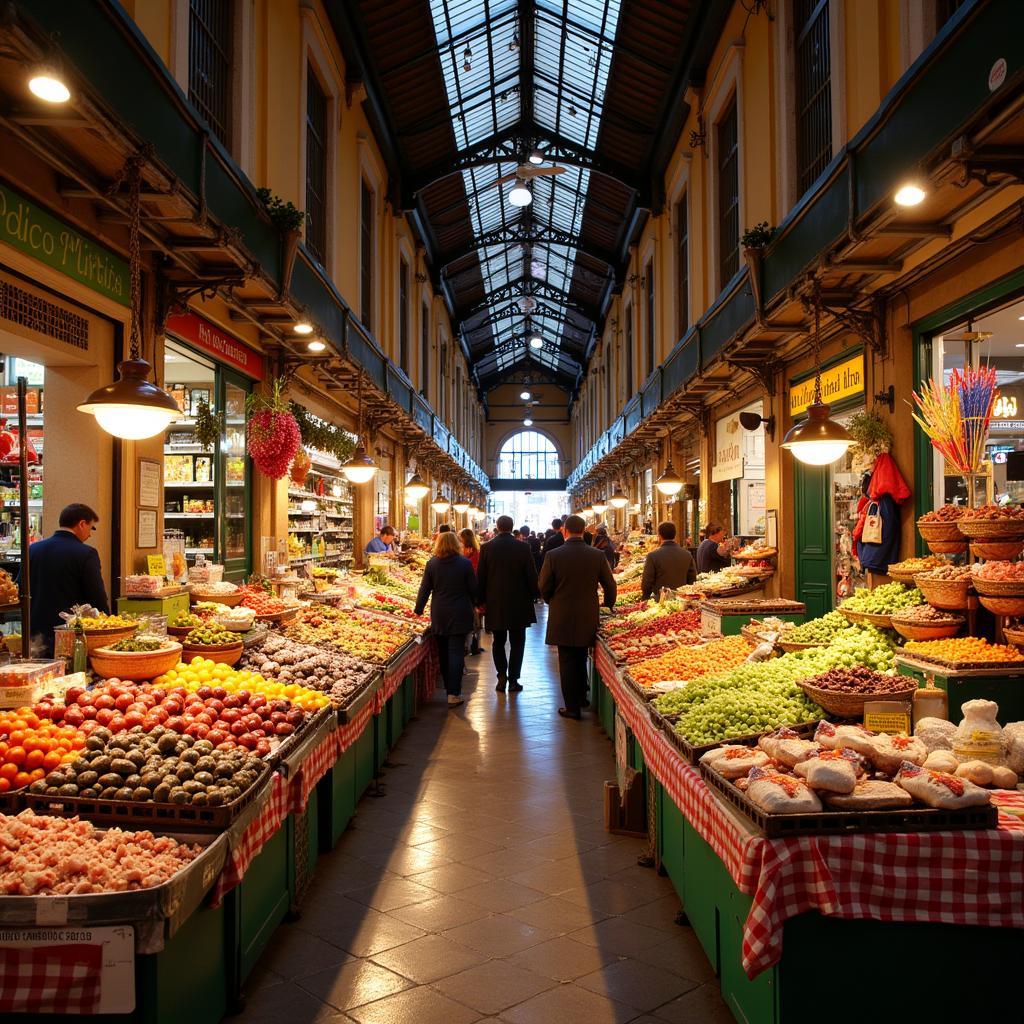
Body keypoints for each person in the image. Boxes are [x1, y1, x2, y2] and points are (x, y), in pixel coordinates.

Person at [538, 515, 616, 719]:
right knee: (582, 655)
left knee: (566, 660)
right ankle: (582, 697)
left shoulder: (553, 555)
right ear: (584, 531)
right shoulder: (596, 555)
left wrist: (552, 601)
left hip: (562, 613)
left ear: (564, 531)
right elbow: (610, 585)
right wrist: (607, 606)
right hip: (587, 613)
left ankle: (572, 707)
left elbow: (543, 586)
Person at [27, 503, 109, 657]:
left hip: (35, 633)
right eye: (91, 528)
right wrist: (108, 622)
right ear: (82, 524)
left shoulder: (33, 549)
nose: (90, 534)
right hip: (70, 635)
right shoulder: (86, 553)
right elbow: (97, 595)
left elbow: (20, 586)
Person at [476, 514, 538, 693]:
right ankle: (514, 680)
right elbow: (531, 574)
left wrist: (480, 600)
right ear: (512, 527)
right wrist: (536, 595)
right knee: (518, 642)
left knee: (498, 641)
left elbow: (481, 576)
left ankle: (501, 677)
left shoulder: (487, 548)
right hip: (519, 602)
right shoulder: (523, 547)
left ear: (497, 526)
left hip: (496, 602)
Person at [414, 531, 476, 708]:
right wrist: (478, 602)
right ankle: (453, 693)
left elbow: (424, 589)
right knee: (456, 652)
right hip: (461, 612)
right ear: (457, 544)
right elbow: (473, 588)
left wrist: (418, 610)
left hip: (440, 613)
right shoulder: (465, 564)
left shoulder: (432, 564)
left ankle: (449, 688)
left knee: (443, 653)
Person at [641, 521, 697, 599]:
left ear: (659, 536)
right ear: (675, 535)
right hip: (682, 600)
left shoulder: (653, 556)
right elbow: (692, 579)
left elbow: (647, 582)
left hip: (660, 601)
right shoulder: (687, 554)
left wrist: (645, 599)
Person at [459, 527, 483, 656]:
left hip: (469, 594)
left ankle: (472, 646)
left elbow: (472, 574)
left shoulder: (471, 554)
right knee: (475, 622)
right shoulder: (475, 552)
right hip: (472, 594)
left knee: (473, 622)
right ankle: (474, 646)